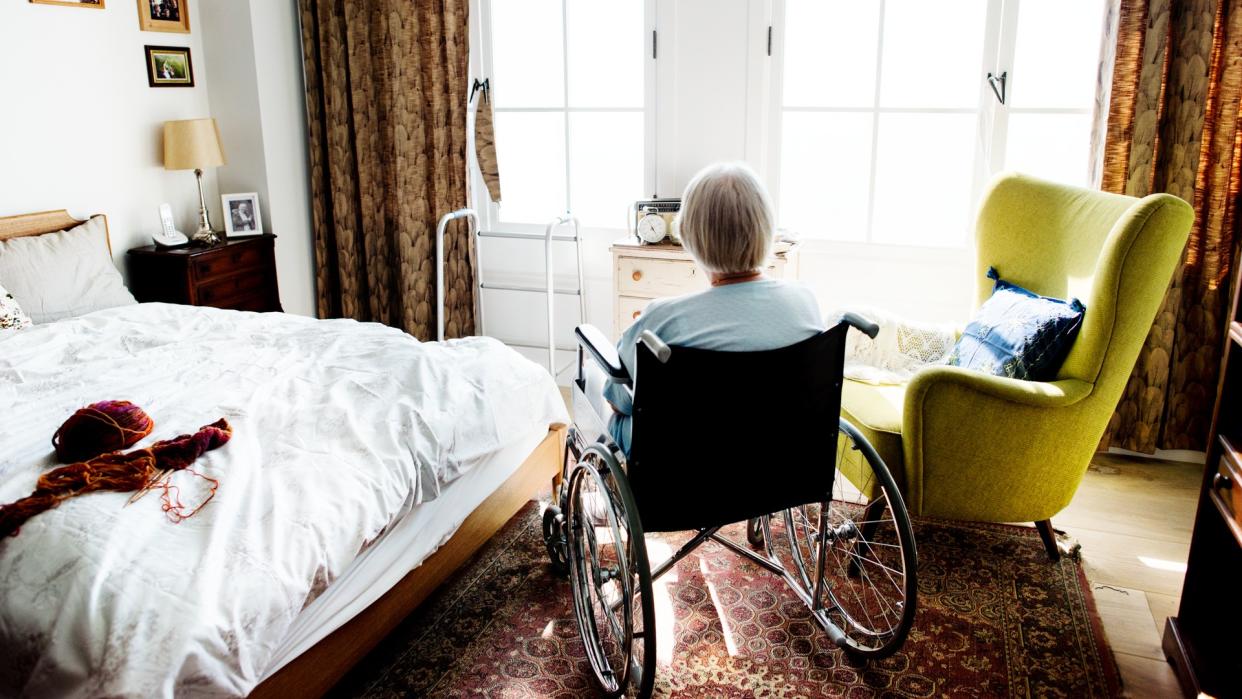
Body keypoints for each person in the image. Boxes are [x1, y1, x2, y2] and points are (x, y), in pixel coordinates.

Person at [592, 162, 824, 454]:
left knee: (597, 387)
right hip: (778, 456)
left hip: (686, 462)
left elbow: (619, 400)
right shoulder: (805, 302)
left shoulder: (662, 320)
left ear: (688, 236)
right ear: (768, 230)